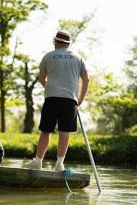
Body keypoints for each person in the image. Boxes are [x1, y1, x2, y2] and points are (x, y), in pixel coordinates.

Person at [25, 31, 89, 171]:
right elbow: (86, 79)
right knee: (64, 132)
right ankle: (59, 164)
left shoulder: (48, 56)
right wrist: (80, 100)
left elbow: (42, 79)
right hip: (70, 100)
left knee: (46, 131)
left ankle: (38, 162)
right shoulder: (78, 58)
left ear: (57, 42)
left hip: (52, 98)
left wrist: (50, 87)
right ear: (68, 43)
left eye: (54, 41)